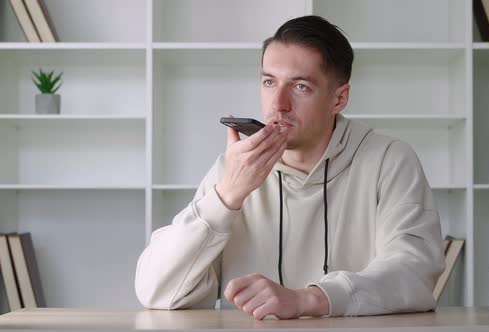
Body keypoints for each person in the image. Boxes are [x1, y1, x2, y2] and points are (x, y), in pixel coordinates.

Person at [135, 15, 445, 320]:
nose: (278, 103)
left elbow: (413, 273)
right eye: (269, 82)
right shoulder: (233, 170)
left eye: (300, 86)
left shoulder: (390, 159)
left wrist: (309, 299)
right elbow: (157, 292)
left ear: (339, 99)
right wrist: (227, 195)